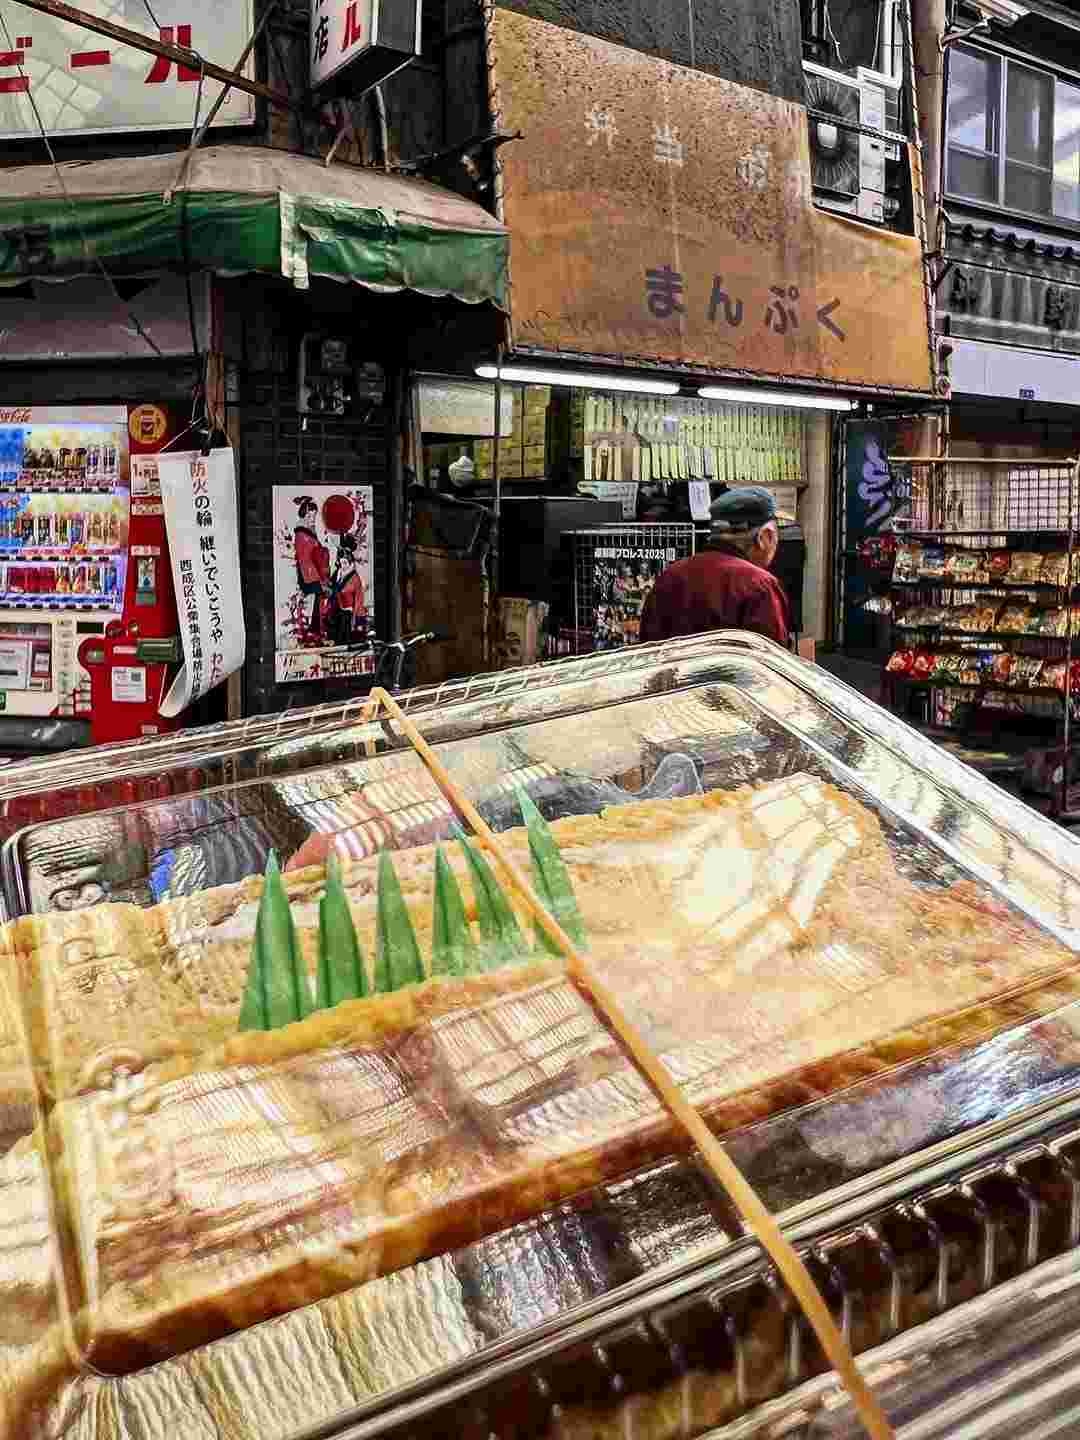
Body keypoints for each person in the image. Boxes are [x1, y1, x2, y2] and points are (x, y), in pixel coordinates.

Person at [639, 486, 792, 646]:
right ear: (765, 536)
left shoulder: (670, 576)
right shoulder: (760, 586)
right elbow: (769, 657)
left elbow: (647, 648)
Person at [292, 496, 330, 639]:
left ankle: (317, 627)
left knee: (323, 596)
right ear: (304, 515)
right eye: (309, 516)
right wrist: (318, 579)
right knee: (321, 594)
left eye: (314, 516)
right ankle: (316, 628)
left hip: (315, 572)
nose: (312, 519)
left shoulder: (309, 532)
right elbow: (305, 560)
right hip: (308, 574)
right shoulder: (302, 534)